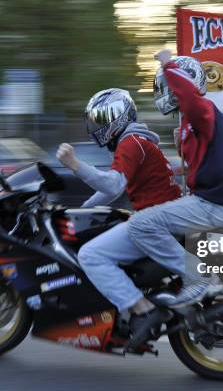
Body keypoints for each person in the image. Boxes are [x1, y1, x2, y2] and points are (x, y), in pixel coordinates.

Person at [56, 88, 182, 348]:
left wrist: (75, 165)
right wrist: (79, 210)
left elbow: (113, 185)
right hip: (164, 219)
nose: (95, 128)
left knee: (91, 255)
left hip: (155, 223)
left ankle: (142, 309)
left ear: (117, 118)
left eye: (100, 121)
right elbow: (112, 189)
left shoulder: (132, 143)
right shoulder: (137, 142)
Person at [126, 49, 223, 310]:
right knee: (154, 219)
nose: (164, 91)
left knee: (139, 225)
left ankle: (196, 277)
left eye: (167, 85)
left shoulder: (202, 109)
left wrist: (168, 65)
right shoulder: (191, 123)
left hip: (214, 204)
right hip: (213, 200)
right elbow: (196, 166)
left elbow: (191, 99)